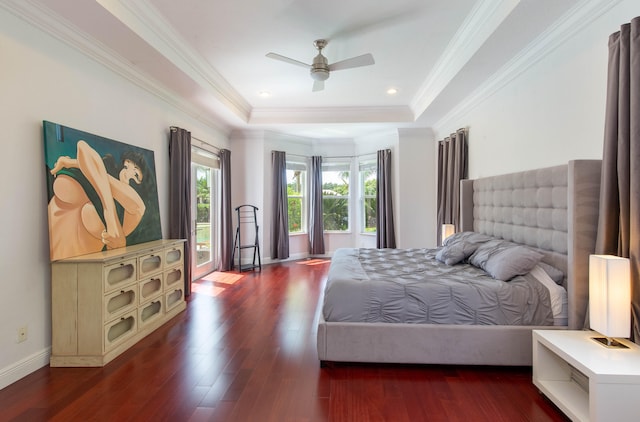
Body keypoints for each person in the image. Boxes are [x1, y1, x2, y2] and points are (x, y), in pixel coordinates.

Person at [48, 140, 148, 261]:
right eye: (126, 166)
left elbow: (138, 206)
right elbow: (83, 147)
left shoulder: (131, 213)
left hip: (73, 268)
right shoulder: (99, 185)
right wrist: (74, 163)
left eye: (136, 174)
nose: (127, 173)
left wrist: (77, 164)